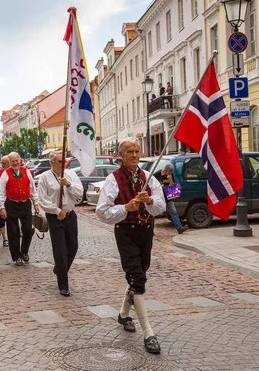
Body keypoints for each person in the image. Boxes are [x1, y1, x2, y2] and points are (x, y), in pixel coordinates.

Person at [96, 138, 166, 354]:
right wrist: (125, 208)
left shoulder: (148, 178)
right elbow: (102, 212)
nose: (134, 155)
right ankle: (149, 333)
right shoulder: (113, 179)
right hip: (126, 231)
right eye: (129, 152)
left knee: (139, 274)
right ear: (121, 156)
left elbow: (161, 207)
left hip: (146, 231)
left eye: (136, 151)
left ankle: (124, 314)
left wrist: (150, 201)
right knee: (137, 276)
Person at [37, 152, 84, 296]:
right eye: (59, 161)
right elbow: (43, 200)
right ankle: (63, 284)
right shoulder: (45, 177)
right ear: (52, 163)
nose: (62, 164)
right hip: (55, 217)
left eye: (64, 161)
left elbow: (79, 193)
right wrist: (57, 211)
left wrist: (68, 184)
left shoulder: (70, 174)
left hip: (70, 215)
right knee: (60, 250)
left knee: (73, 247)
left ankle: (59, 269)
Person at [0, 151, 39, 266]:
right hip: (11, 204)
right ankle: (16, 256)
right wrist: (2, 207)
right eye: (12, 161)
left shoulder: (26, 172)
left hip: (25, 204)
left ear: (20, 161)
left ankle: (24, 252)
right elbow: (0, 192)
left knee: (28, 230)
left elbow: (32, 188)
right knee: (13, 232)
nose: (15, 163)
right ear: (9, 162)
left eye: (16, 161)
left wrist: (36, 203)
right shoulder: (6, 173)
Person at [153, 164, 188, 234]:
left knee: (173, 211)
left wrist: (170, 179)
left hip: (167, 197)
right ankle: (151, 230)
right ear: (165, 170)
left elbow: (173, 188)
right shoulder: (156, 175)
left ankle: (179, 228)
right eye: (169, 172)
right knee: (153, 213)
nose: (170, 174)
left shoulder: (170, 176)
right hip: (158, 197)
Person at [0, 155, 10, 247]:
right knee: (1, 220)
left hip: (11, 199)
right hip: (1, 199)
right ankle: (5, 238)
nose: (2, 165)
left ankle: (10, 237)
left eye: (4, 163)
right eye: (1, 163)